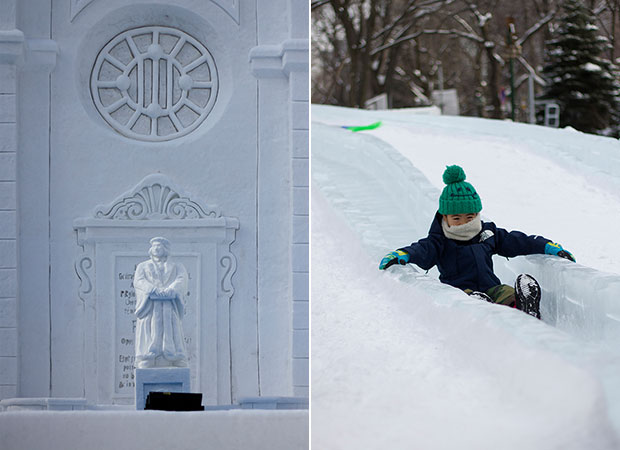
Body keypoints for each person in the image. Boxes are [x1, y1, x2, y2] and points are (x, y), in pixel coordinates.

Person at [379, 165, 575, 319]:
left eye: (470, 217)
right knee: (471, 299)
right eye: (457, 218)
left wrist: (547, 246)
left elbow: (517, 241)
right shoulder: (439, 241)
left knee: (505, 292)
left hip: (491, 287)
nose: (464, 223)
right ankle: (483, 306)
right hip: (459, 291)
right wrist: (402, 254)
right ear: (444, 217)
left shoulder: (487, 233)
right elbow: (421, 250)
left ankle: (524, 309)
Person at [134, 237, 189, 368]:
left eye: (159, 246)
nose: (157, 248)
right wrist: (152, 289)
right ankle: (149, 355)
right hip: (150, 306)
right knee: (150, 328)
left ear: (166, 249)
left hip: (169, 305)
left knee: (172, 328)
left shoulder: (176, 266)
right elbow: (139, 281)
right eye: (154, 246)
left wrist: (171, 289)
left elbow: (182, 279)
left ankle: (175, 356)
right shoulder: (143, 266)